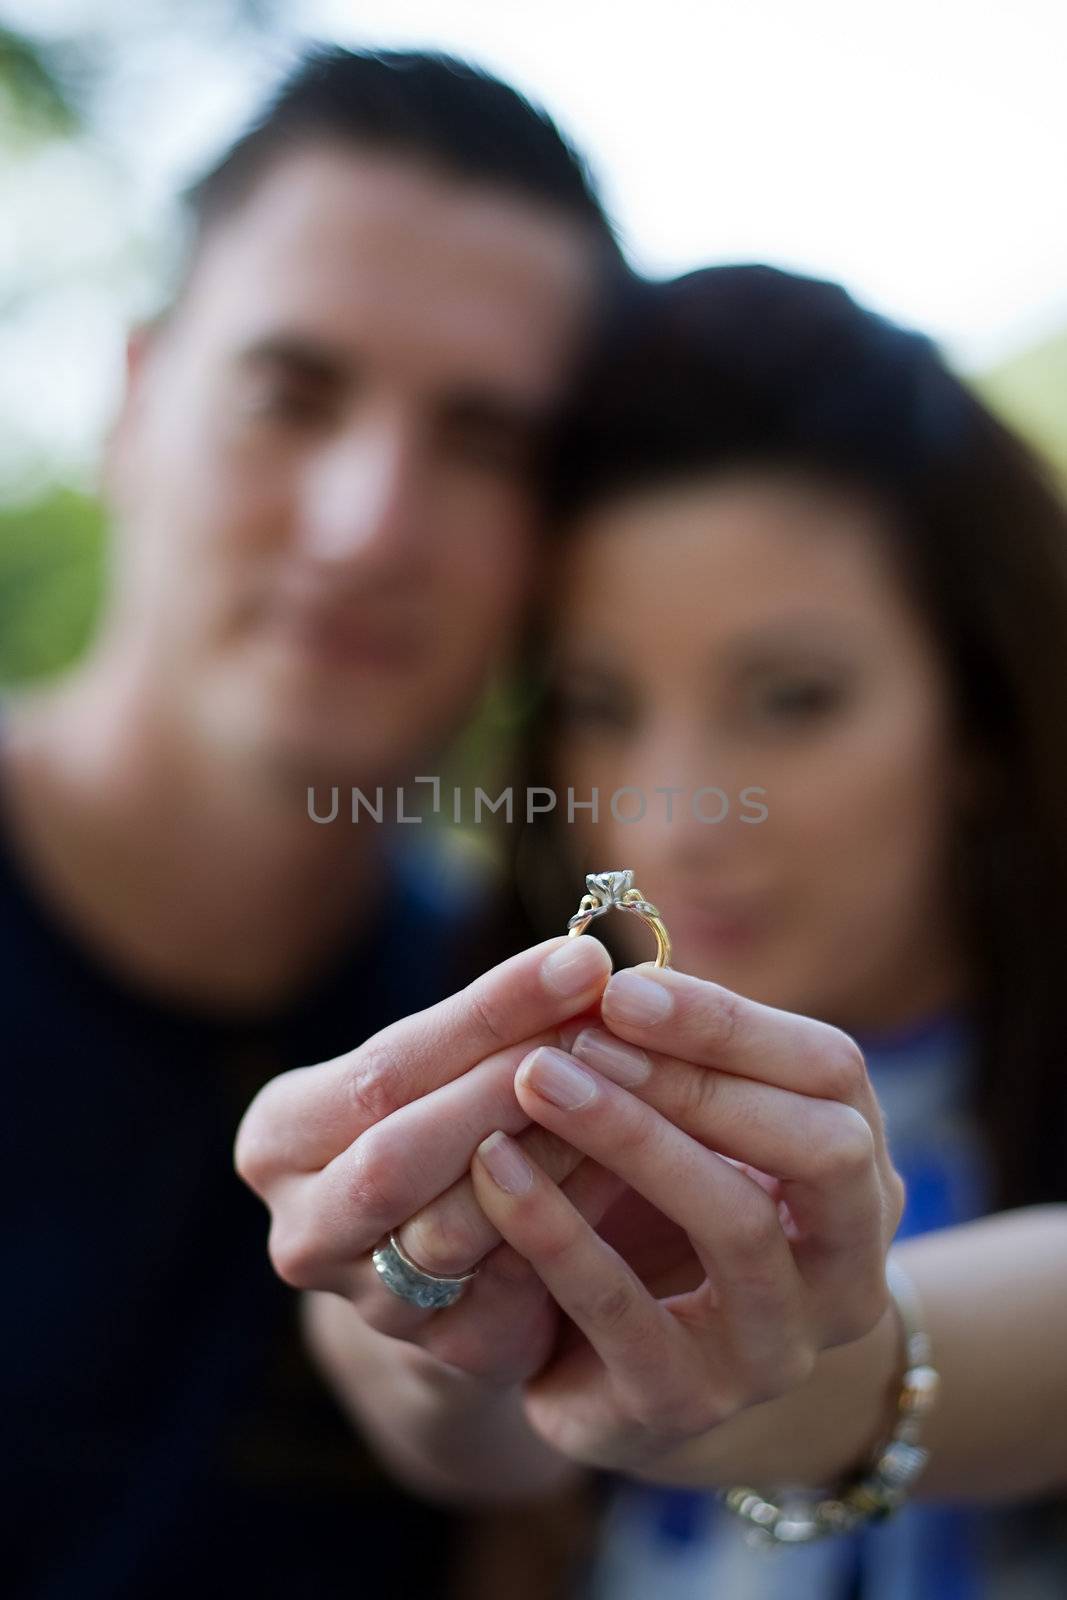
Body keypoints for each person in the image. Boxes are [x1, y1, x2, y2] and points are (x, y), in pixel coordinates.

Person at [235, 267, 1067, 1599]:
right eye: (604, 706)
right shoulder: (507, 1056)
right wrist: (428, 1339)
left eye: (791, 698)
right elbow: (482, 1437)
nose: (671, 813)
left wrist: (802, 1371)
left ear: (969, 714)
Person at [1, 43, 620, 1598]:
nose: (367, 525)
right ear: (136, 402)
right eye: (293, 393)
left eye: (482, 441)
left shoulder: (552, 1067)